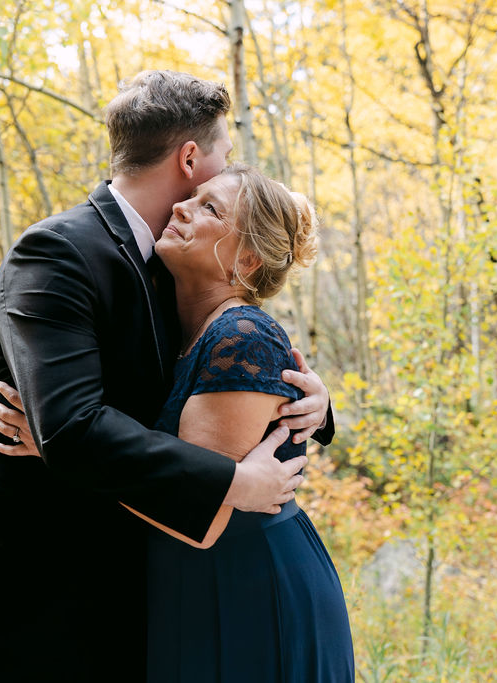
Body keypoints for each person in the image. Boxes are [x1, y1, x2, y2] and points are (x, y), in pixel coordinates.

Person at [0, 70, 334, 682]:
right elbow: (71, 429)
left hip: (135, 574)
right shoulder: (58, 252)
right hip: (34, 580)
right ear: (191, 158)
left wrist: (315, 406)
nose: (229, 166)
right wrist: (234, 482)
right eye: (225, 153)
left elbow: (232, 364)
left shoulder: (179, 269)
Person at [141, 164, 354, 682]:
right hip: (199, 585)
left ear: (247, 259)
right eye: (191, 197)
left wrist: (63, 445)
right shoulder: (180, 328)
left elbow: (197, 512)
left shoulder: (243, 337)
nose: (179, 207)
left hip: (253, 590)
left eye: (209, 207)